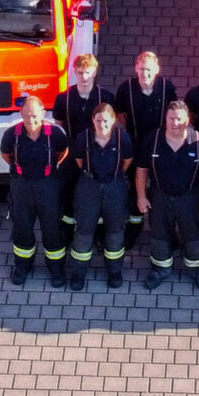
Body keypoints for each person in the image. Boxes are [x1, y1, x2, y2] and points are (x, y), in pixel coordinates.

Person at [137, 99, 199, 291]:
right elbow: (142, 170)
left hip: (190, 197)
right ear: (165, 119)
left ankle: (198, 270)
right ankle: (160, 269)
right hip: (159, 197)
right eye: (171, 118)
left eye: (179, 118)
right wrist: (141, 196)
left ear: (187, 119)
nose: (175, 122)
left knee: (193, 235)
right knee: (159, 235)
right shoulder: (152, 140)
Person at [0, 93, 69, 286]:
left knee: (52, 229)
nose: (31, 120)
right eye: (27, 115)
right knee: (22, 228)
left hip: (48, 186)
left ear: (43, 113)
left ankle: (56, 269)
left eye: (35, 115)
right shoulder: (11, 135)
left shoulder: (55, 134)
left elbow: (63, 153)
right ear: (21, 114)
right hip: (21, 186)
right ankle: (23, 266)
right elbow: (6, 155)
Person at [67, 100, 135, 290]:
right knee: (83, 232)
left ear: (113, 120)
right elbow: (79, 160)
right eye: (98, 121)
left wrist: (112, 177)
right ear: (93, 120)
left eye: (106, 121)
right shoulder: (84, 138)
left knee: (115, 232)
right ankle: (78, 274)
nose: (102, 125)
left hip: (115, 187)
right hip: (88, 187)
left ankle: (114, 272)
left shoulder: (123, 138)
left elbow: (127, 161)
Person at [116, 51, 178, 239]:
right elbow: (120, 115)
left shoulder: (167, 88)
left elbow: (175, 113)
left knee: (163, 186)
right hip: (136, 146)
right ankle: (135, 226)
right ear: (136, 68)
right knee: (136, 188)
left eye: (149, 70)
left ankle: (166, 230)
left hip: (162, 147)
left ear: (157, 70)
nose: (145, 74)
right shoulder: (125, 88)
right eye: (142, 69)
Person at [55, 53, 112, 239]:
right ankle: (67, 230)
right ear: (74, 72)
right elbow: (59, 124)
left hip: (99, 153)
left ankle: (99, 232)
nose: (84, 77)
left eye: (88, 72)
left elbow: (115, 124)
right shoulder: (64, 98)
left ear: (95, 72)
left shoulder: (106, 97)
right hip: (72, 154)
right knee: (69, 190)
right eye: (80, 72)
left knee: (99, 191)